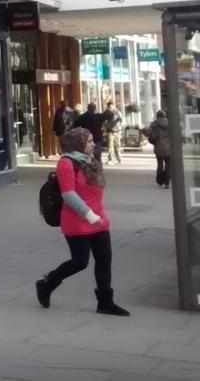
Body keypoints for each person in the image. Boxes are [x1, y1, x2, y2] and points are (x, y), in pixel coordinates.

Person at [34, 127, 130, 317]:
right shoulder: (66, 163)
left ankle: (105, 302)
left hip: (99, 219)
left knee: (104, 259)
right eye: (89, 141)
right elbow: (68, 194)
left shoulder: (90, 161)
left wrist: (98, 217)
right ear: (78, 143)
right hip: (77, 220)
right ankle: (47, 283)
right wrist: (89, 216)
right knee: (80, 261)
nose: (93, 144)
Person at [147, 110, 171, 189]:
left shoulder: (154, 123)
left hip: (158, 146)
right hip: (169, 147)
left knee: (160, 163)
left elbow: (148, 133)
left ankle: (160, 180)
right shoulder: (170, 123)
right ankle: (167, 182)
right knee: (168, 164)